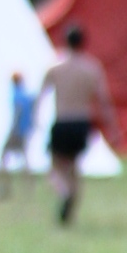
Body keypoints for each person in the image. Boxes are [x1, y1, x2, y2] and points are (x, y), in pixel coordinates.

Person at [39, 24, 118, 224]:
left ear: (65, 41)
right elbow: (103, 101)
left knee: (56, 166)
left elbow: (41, 96)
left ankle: (64, 192)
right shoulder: (92, 68)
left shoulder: (55, 67)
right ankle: (71, 207)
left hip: (62, 121)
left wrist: (33, 120)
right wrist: (113, 129)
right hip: (81, 123)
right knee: (74, 167)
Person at [0, 68, 39, 195]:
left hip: (16, 131)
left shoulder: (16, 95)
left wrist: (13, 130)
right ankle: (29, 187)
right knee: (25, 160)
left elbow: (17, 113)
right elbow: (34, 109)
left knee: (3, 156)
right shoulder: (28, 96)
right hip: (25, 132)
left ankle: (4, 187)